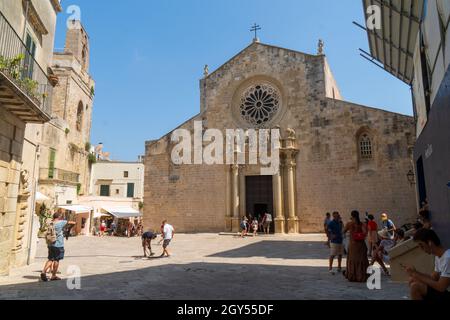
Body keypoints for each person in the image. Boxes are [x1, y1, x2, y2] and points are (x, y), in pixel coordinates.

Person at [405, 229, 450, 301]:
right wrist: (415, 273)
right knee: (413, 280)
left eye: (421, 245)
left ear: (430, 243)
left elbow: (441, 287)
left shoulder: (448, 258)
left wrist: (416, 274)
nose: (421, 249)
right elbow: (433, 278)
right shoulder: (438, 257)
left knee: (415, 287)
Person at [40, 213, 75, 282]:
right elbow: (73, 222)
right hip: (58, 244)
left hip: (50, 244)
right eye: (61, 216)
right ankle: (53, 275)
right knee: (56, 260)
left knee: (50, 259)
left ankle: (43, 271)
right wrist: (69, 229)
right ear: (59, 217)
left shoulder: (51, 223)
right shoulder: (61, 222)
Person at [343, 210, 369, 283]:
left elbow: (343, 231)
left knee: (353, 260)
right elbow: (365, 233)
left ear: (352, 216)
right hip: (361, 245)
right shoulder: (362, 224)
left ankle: (353, 276)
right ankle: (361, 276)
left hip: (353, 246)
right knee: (362, 260)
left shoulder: (349, 224)